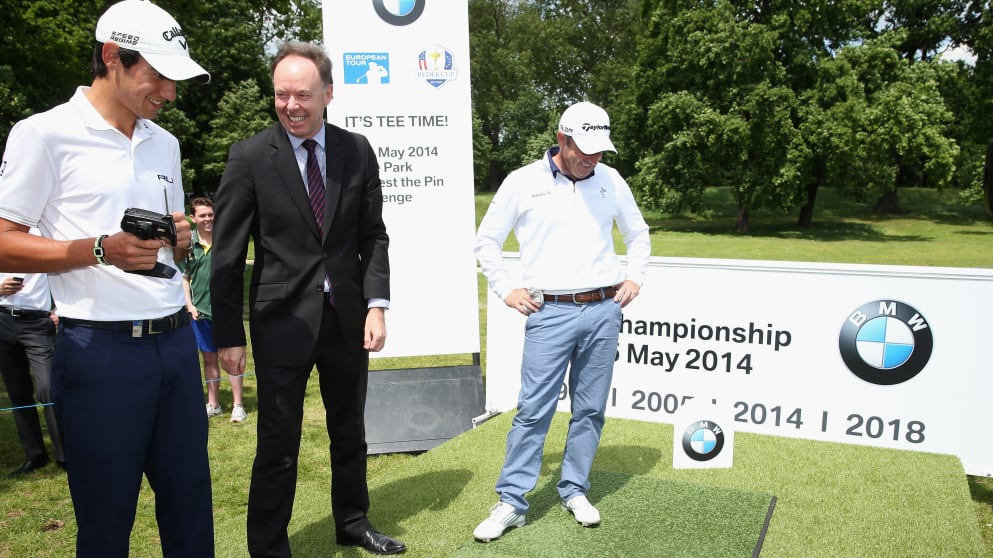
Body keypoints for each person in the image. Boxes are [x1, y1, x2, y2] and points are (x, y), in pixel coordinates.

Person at [0, 1, 214, 555]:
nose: (169, 92)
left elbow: (165, 237)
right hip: (98, 353)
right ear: (112, 57)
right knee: (105, 525)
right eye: (159, 75)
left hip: (174, 345)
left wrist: (180, 236)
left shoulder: (163, 141)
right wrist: (99, 249)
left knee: (192, 516)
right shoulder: (43, 133)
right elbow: (4, 239)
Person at [210, 41, 402, 556]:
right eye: (281, 95)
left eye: (302, 95)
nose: (291, 105)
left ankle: (353, 522)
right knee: (277, 445)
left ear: (328, 94)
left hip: (346, 320)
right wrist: (229, 336)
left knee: (350, 433)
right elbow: (225, 256)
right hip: (280, 324)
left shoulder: (355, 150)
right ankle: (269, 546)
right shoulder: (250, 157)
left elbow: (372, 237)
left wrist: (376, 304)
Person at [472, 101, 651, 541]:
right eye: (583, 149)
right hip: (549, 311)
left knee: (590, 409)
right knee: (534, 410)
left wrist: (635, 277)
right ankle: (513, 501)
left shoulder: (610, 180)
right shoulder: (522, 182)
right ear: (561, 139)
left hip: (604, 309)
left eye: (599, 150)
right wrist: (507, 289)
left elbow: (638, 233)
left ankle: (574, 488)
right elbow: (487, 242)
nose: (592, 158)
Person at [0, 247, 65, 477]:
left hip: (38, 323)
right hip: (4, 319)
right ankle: (34, 454)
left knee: (48, 388)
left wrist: (59, 309)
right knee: (18, 392)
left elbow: (63, 271)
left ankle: (64, 455)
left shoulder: (42, 233)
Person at [182, 196, 247, 422]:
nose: (208, 219)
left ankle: (238, 405)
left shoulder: (225, 240)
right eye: (203, 215)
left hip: (226, 312)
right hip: (200, 313)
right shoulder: (189, 244)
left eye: (211, 214)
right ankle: (214, 404)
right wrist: (189, 305)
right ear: (193, 218)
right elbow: (184, 277)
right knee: (209, 359)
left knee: (232, 357)